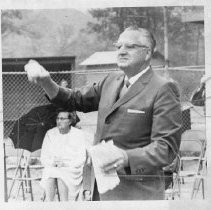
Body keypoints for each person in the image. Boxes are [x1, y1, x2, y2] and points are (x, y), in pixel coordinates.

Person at [25, 26, 182, 200]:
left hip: (137, 191)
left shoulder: (162, 88)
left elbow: (165, 149)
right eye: (119, 46)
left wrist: (126, 157)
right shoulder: (111, 80)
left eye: (130, 46)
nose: (121, 51)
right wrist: (46, 82)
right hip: (101, 188)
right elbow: (73, 99)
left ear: (147, 54)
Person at [40, 109, 87, 201]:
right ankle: (50, 203)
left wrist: (66, 164)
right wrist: (52, 162)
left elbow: (81, 158)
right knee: (50, 172)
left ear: (70, 121)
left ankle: (64, 202)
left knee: (61, 173)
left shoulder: (78, 134)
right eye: (57, 119)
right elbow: (44, 156)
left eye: (62, 119)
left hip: (72, 169)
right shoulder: (50, 133)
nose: (59, 121)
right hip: (54, 167)